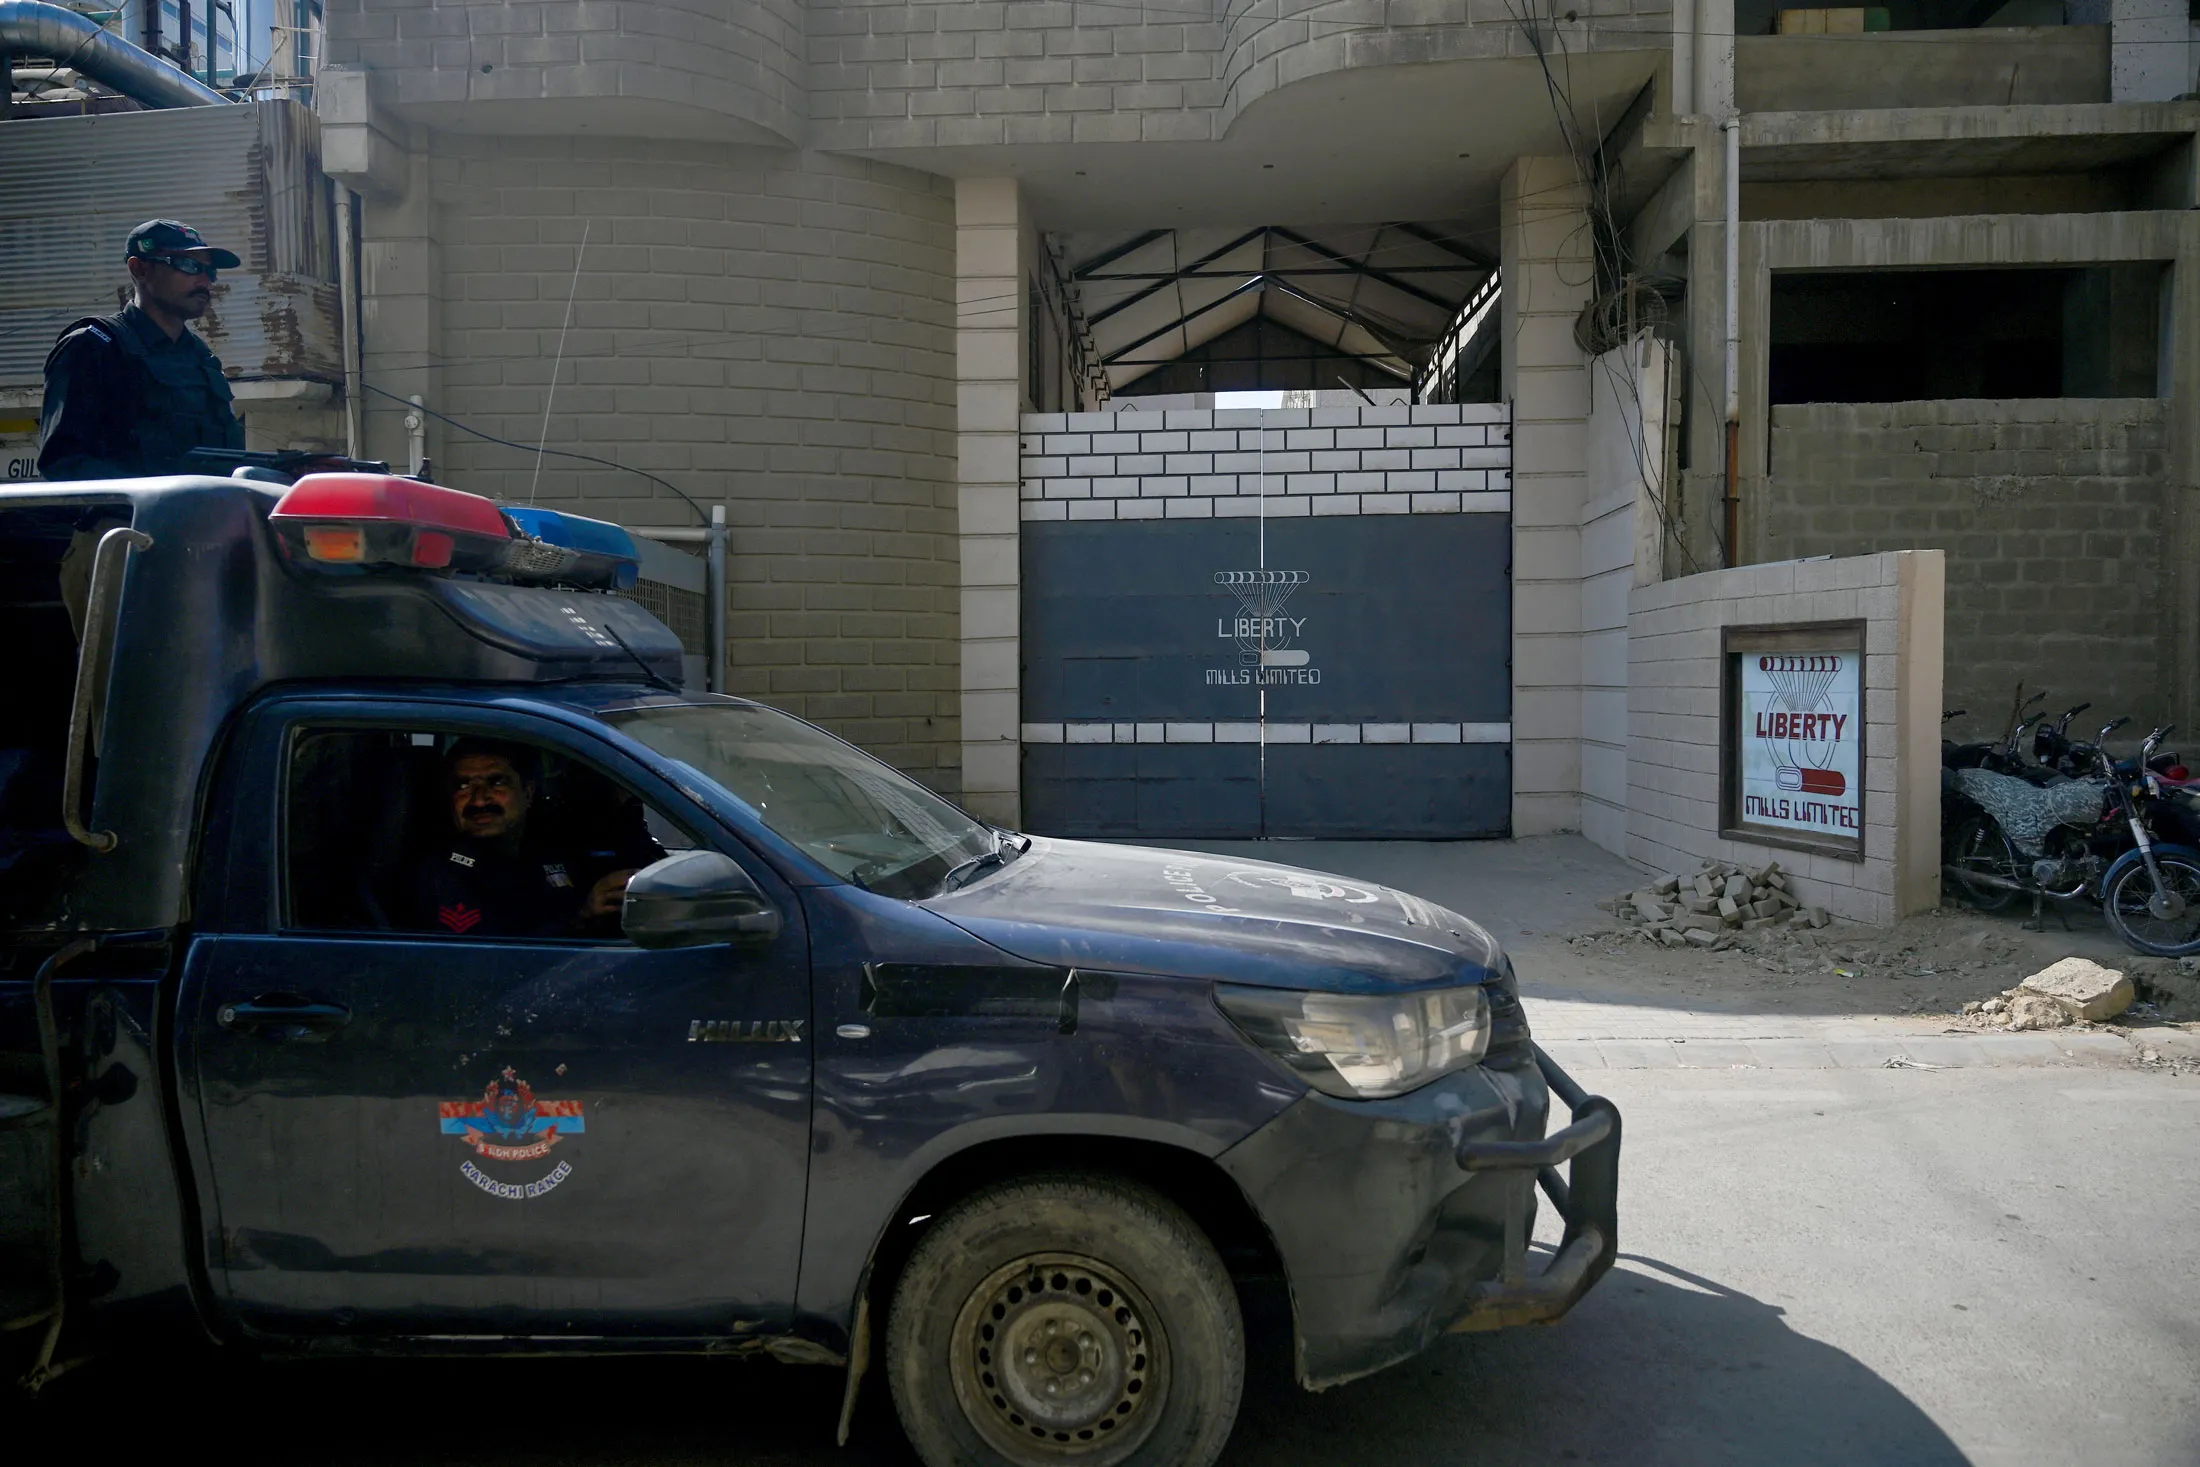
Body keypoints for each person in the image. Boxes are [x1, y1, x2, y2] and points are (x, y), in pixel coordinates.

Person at [37, 219, 248, 482]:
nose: (205, 281)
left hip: (207, 518)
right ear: (140, 269)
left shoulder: (202, 359)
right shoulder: (93, 346)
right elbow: (64, 464)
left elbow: (229, 462)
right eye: (189, 265)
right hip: (128, 521)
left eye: (210, 271)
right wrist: (155, 502)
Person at [402, 739, 645, 939]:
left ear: (528, 793)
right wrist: (582, 915)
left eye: (496, 782)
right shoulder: (443, 874)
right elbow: (492, 957)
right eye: (463, 786)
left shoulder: (549, 847)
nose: (478, 800)